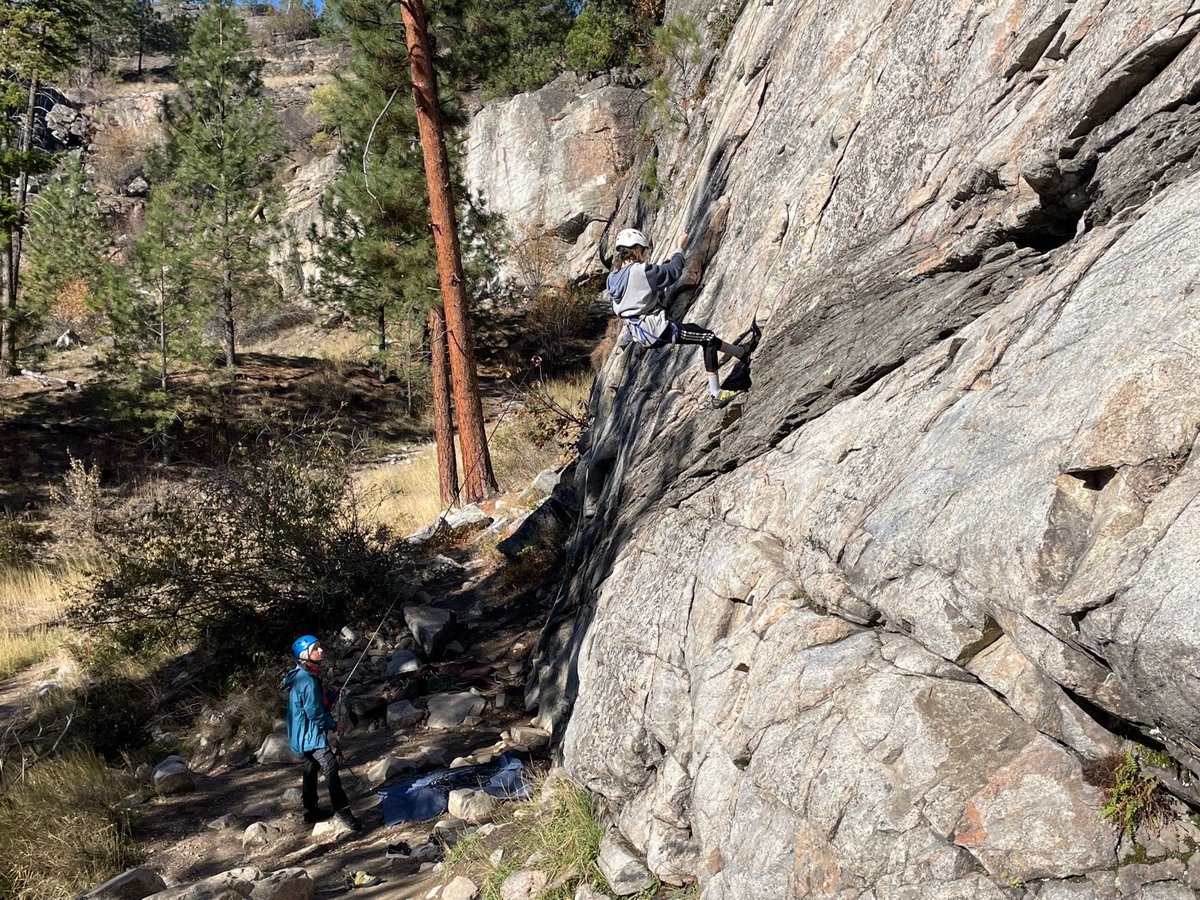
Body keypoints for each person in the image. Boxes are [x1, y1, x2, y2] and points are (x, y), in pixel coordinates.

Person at [607, 227, 759, 408]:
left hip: (642, 332)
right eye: (644, 250)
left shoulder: (613, 278)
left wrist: (667, 260)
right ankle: (716, 394)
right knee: (707, 338)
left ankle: (741, 352)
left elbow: (651, 277)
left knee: (697, 331)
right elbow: (672, 272)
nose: (645, 254)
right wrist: (680, 249)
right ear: (637, 248)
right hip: (657, 329)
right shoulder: (640, 271)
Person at [283, 634, 363, 831]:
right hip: (310, 733)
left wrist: (332, 694)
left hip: (301, 733)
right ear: (304, 654)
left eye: (319, 647)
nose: (321, 650)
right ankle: (343, 810)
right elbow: (314, 712)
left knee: (310, 767)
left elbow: (315, 703)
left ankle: (310, 811)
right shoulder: (307, 680)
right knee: (330, 766)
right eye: (315, 648)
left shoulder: (302, 674)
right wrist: (333, 725)